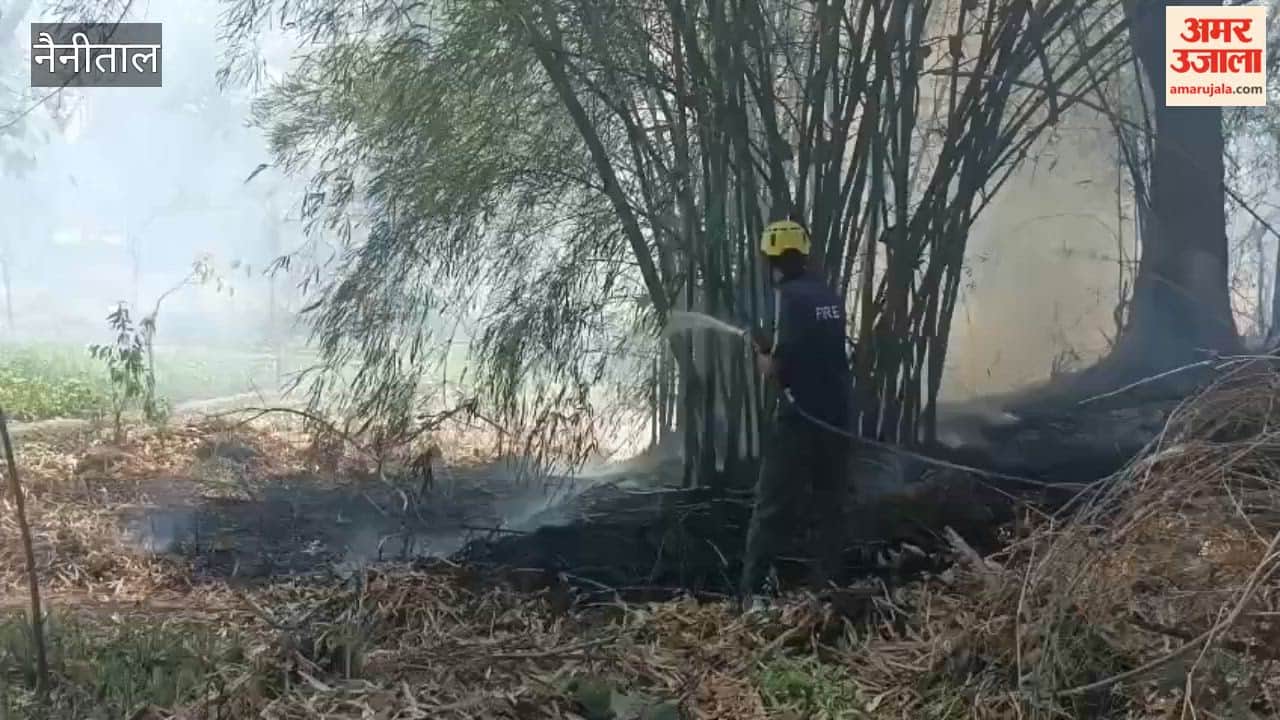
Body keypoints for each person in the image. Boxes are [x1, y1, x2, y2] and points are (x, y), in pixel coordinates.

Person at [739, 217, 852, 610]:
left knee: (771, 507)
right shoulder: (829, 296)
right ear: (803, 252)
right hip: (838, 417)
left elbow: (778, 367)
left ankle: (753, 595)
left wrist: (761, 355)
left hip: (800, 418)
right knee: (830, 506)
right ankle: (828, 591)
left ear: (771, 259)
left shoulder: (785, 298)